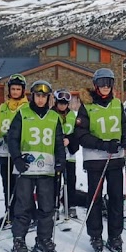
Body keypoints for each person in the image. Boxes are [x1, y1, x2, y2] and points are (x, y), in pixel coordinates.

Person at [5, 80, 66, 252]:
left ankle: (43, 240)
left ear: (48, 98)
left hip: (46, 170)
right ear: (32, 96)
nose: (40, 100)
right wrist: (16, 158)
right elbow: (12, 138)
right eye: (38, 96)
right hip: (26, 169)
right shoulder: (22, 113)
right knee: (23, 206)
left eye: (44, 97)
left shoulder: (54, 117)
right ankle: (19, 240)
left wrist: (60, 161)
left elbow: (58, 143)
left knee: (47, 207)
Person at [74, 68, 126, 252]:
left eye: (108, 83)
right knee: (95, 200)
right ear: (95, 85)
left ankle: (115, 236)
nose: (105, 87)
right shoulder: (87, 106)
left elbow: (124, 126)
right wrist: (103, 144)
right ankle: (96, 235)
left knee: (116, 199)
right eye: (101, 83)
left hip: (115, 159)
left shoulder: (117, 104)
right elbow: (81, 135)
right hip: (95, 161)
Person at [0, 74, 28, 227]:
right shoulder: (3, 107)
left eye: (18, 89)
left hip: (19, 153)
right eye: (13, 89)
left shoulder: (27, 108)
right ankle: (9, 213)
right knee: (7, 184)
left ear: (23, 90)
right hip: (4, 152)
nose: (15, 92)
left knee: (20, 186)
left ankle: (22, 214)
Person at [53, 89, 81, 219]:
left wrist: (69, 140)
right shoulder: (51, 114)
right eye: (60, 103)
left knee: (70, 179)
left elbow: (76, 133)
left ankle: (70, 205)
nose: (62, 105)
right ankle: (55, 206)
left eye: (65, 103)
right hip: (56, 154)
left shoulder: (72, 115)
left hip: (69, 153)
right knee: (56, 181)